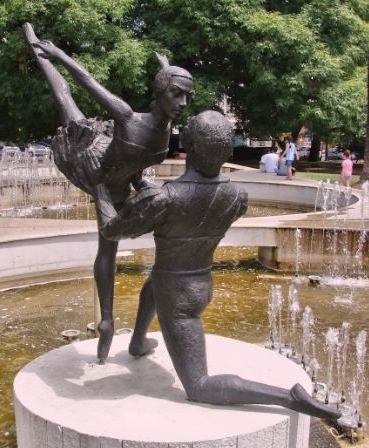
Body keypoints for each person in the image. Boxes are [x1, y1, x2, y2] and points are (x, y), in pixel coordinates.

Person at [93, 110, 341, 421]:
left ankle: (288, 397)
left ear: (187, 147)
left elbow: (112, 229)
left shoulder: (164, 197)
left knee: (199, 384)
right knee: (154, 280)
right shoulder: (237, 196)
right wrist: (141, 185)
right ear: (226, 152)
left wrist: (101, 191)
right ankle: (138, 342)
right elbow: (189, 208)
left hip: (177, 297)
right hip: (200, 281)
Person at [23, 23, 194, 363]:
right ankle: (35, 46)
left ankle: (107, 318)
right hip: (94, 164)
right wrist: (57, 54)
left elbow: (159, 108)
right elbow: (87, 81)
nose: (184, 103)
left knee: (109, 246)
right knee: (65, 98)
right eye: (177, 94)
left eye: (187, 96)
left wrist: (165, 68)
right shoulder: (129, 117)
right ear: (161, 93)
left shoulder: (163, 126)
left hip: (119, 178)